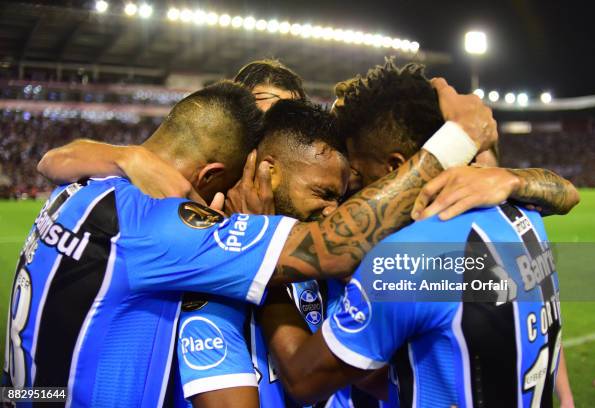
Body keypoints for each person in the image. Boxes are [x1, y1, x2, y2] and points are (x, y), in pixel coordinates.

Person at [4, 75, 499, 407]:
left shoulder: (81, 189)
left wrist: (515, 178)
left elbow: (55, 159)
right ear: (229, 170)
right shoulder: (176, 236)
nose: (223, 199)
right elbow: (333, 245)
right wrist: (461, 138)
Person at [256, 61, 576, 408]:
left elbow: (305, 379)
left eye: (360, 177)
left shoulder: (406, 260)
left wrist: (263, 270)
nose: (355, 194)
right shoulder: (523, 214)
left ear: (396, 167)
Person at [174, 99, 351, 408]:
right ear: (268, 170)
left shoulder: (334, 270)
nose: (333, 212)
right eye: (323, 194)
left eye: (339, 197)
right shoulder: (211, 261)